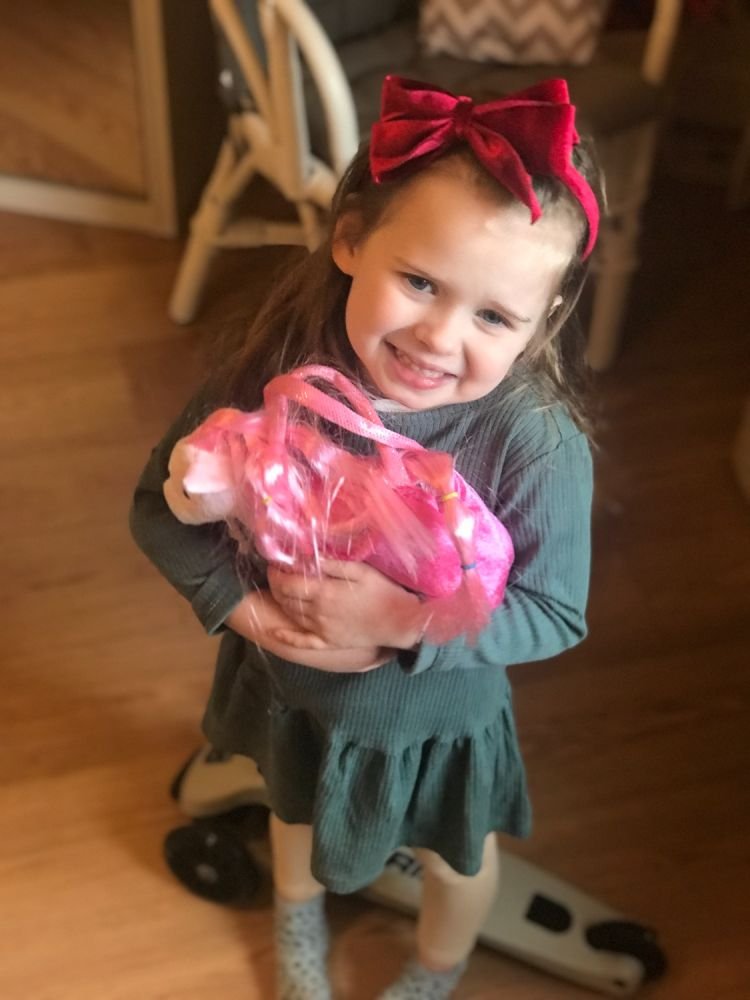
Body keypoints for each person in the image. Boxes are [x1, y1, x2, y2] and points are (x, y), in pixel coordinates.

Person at [130, 75, 604, 1000]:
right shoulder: (275, 372)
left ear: (542, 321)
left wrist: (402, 618)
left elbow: (554, 613)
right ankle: (296, 917)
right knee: (293, 815)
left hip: (439, 728)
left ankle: (436, 970)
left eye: (493, 316)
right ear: (351, 239)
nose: (438, 337)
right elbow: (160, 506)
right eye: (419, 281)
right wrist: (251, 615)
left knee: (460, 865)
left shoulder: (536, 444)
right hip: (295, 699)